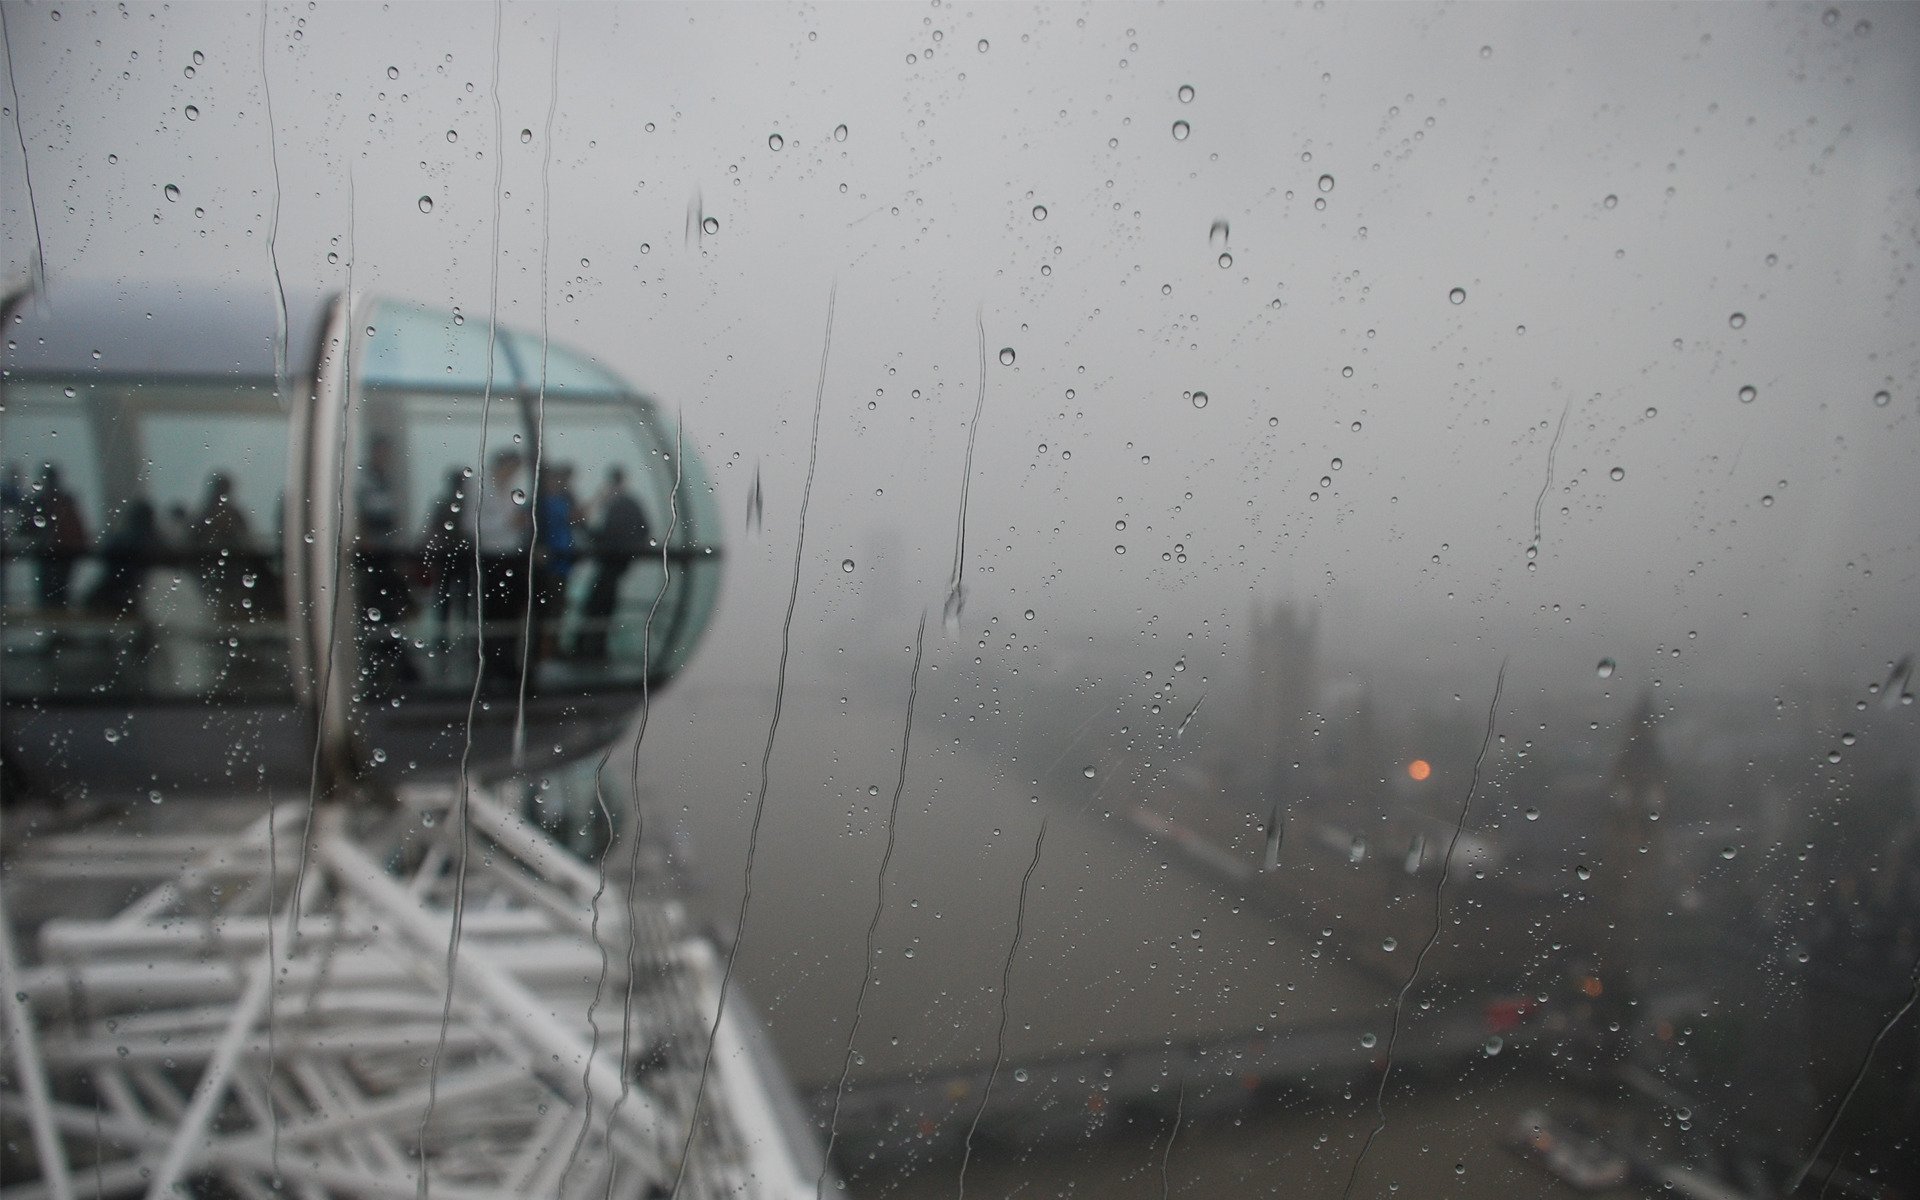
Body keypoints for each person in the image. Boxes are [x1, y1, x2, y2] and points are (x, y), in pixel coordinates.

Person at [574, 465, 650, 661]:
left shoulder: (619, 506)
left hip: (611, 562)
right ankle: (594, 648)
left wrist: (583, 527)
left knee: (596, 604)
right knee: (604, 604)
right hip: (618, 563)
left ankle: (585, 648)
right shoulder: (631, 504)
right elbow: (644, 530)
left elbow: (608, 536)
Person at [471, 448, 529, 687]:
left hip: (511, 558)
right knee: (493, 613)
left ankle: (508, 664)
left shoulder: (511, 491)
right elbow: (471, 525)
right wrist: (509, 522)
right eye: (511, 468)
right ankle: (491, 666)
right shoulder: (480, 488)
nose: (513, 474)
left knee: (511, 612)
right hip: (490, 559)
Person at [20, 463, 89, 611]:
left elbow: (26, 528)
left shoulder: (43, 500)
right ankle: (58, 614)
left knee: (50, 591)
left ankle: (54, 614)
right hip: (66, 551)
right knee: (59, 590)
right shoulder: (66, 499)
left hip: (49, 551)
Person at [423, 467, 475, 652]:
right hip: (455, 556)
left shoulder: (447, 504)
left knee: (449, 600)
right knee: (456, 600)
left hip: (453, 556)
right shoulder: (464, 505)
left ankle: (445, 640)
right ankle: (456, 640)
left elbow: (432, 530)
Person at [532, 462, 580, 658]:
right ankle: (546, 649)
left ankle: (549, 647)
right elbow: (576, 517)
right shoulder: (547, 503)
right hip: (552, 565)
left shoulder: (557, 501)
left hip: (561, 563)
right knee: (552, 607)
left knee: (556, 607)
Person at [85, 494, 158, 618]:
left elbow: (105, 552)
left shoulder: (123, 538)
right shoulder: (153, 540)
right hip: (134, 590)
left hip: (115, 588)